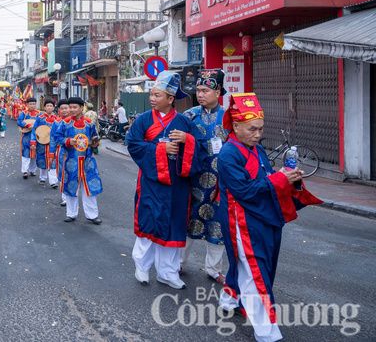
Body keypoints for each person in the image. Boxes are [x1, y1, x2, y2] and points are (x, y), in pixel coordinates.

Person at [217, 93, 321, 342]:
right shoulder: (228, 155)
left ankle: (230, 298)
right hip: (240, 220)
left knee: (251, 265)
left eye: (261, 129)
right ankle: (266, 330)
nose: (258, 134)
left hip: (262, 216)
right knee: (256, 270)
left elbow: (267, 179)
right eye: (252, 129)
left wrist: (288, 176)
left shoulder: (257, 149)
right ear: (236, 126)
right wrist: (279, 179)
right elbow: (244, 191)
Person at [127, 71, 203, 290]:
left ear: (171, 99)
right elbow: (133, 144)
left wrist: (187, 140)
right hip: (152, 182)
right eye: (151, 94)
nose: (152, 99)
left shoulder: (183, 122)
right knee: (149, 222)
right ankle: (142, 266)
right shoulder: (143, 120)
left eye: (157, 95)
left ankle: (167, 272)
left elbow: (200, 147)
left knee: (173, 224)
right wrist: (160, 149)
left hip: (177, 184)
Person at [180, 69, 229, 285]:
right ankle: (178, 263)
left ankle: (214, 269)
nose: (200, 94)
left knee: (218, 225)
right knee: (188, 223)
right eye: (198, 90)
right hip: (193, 181)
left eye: (205, 90)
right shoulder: (189, 116)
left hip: (221, 182)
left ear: (218, 91)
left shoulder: (228, 117)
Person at [58, 97, 102, 223]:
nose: (71, 110)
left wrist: (94, 144)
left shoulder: (89, 123)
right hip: (71, 160)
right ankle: (71, 213)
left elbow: (94, 138)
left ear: (81, 108)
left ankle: (92, 215)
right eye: (70, 107)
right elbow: (57, 138)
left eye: (74, 107)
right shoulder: (65, 123)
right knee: (71, 186)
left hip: (87, 160)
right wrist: (67, 141)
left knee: (89, 187)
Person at [31, 98, 59, 187]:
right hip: (41, 143)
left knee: (53, 161)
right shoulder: (40, 118)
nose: (49, 108)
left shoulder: (57, 119)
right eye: (48, 106)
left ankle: (53, 181)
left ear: (54, 108)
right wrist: (33, 142)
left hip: (52, 144)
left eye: (51, 106)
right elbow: (34, 130)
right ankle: (43, 178)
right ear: (44, 107)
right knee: (42, 160)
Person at [52, 99, 71, 206]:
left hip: (74, 151)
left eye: (66, 108)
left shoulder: (74, 121)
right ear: (59, 110)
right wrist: (51, 154)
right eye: (62, 109)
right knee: (62, 173)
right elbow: (53, 139)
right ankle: (64, 197)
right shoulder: (57, 122)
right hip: (61, 151)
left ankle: (73, 195)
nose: (64, 111)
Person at [17, 97, 40, 178]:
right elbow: (19, 121)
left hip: (36, 136)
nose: (32, 106)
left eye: (33, 104)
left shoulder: (39, 113)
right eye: (30, 104)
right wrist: (27, 125)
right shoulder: (24, 113)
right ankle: (25, 171)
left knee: (35, 154)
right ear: (27, 104)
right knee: (26, 153)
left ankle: (33, 170)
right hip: (26, 136)